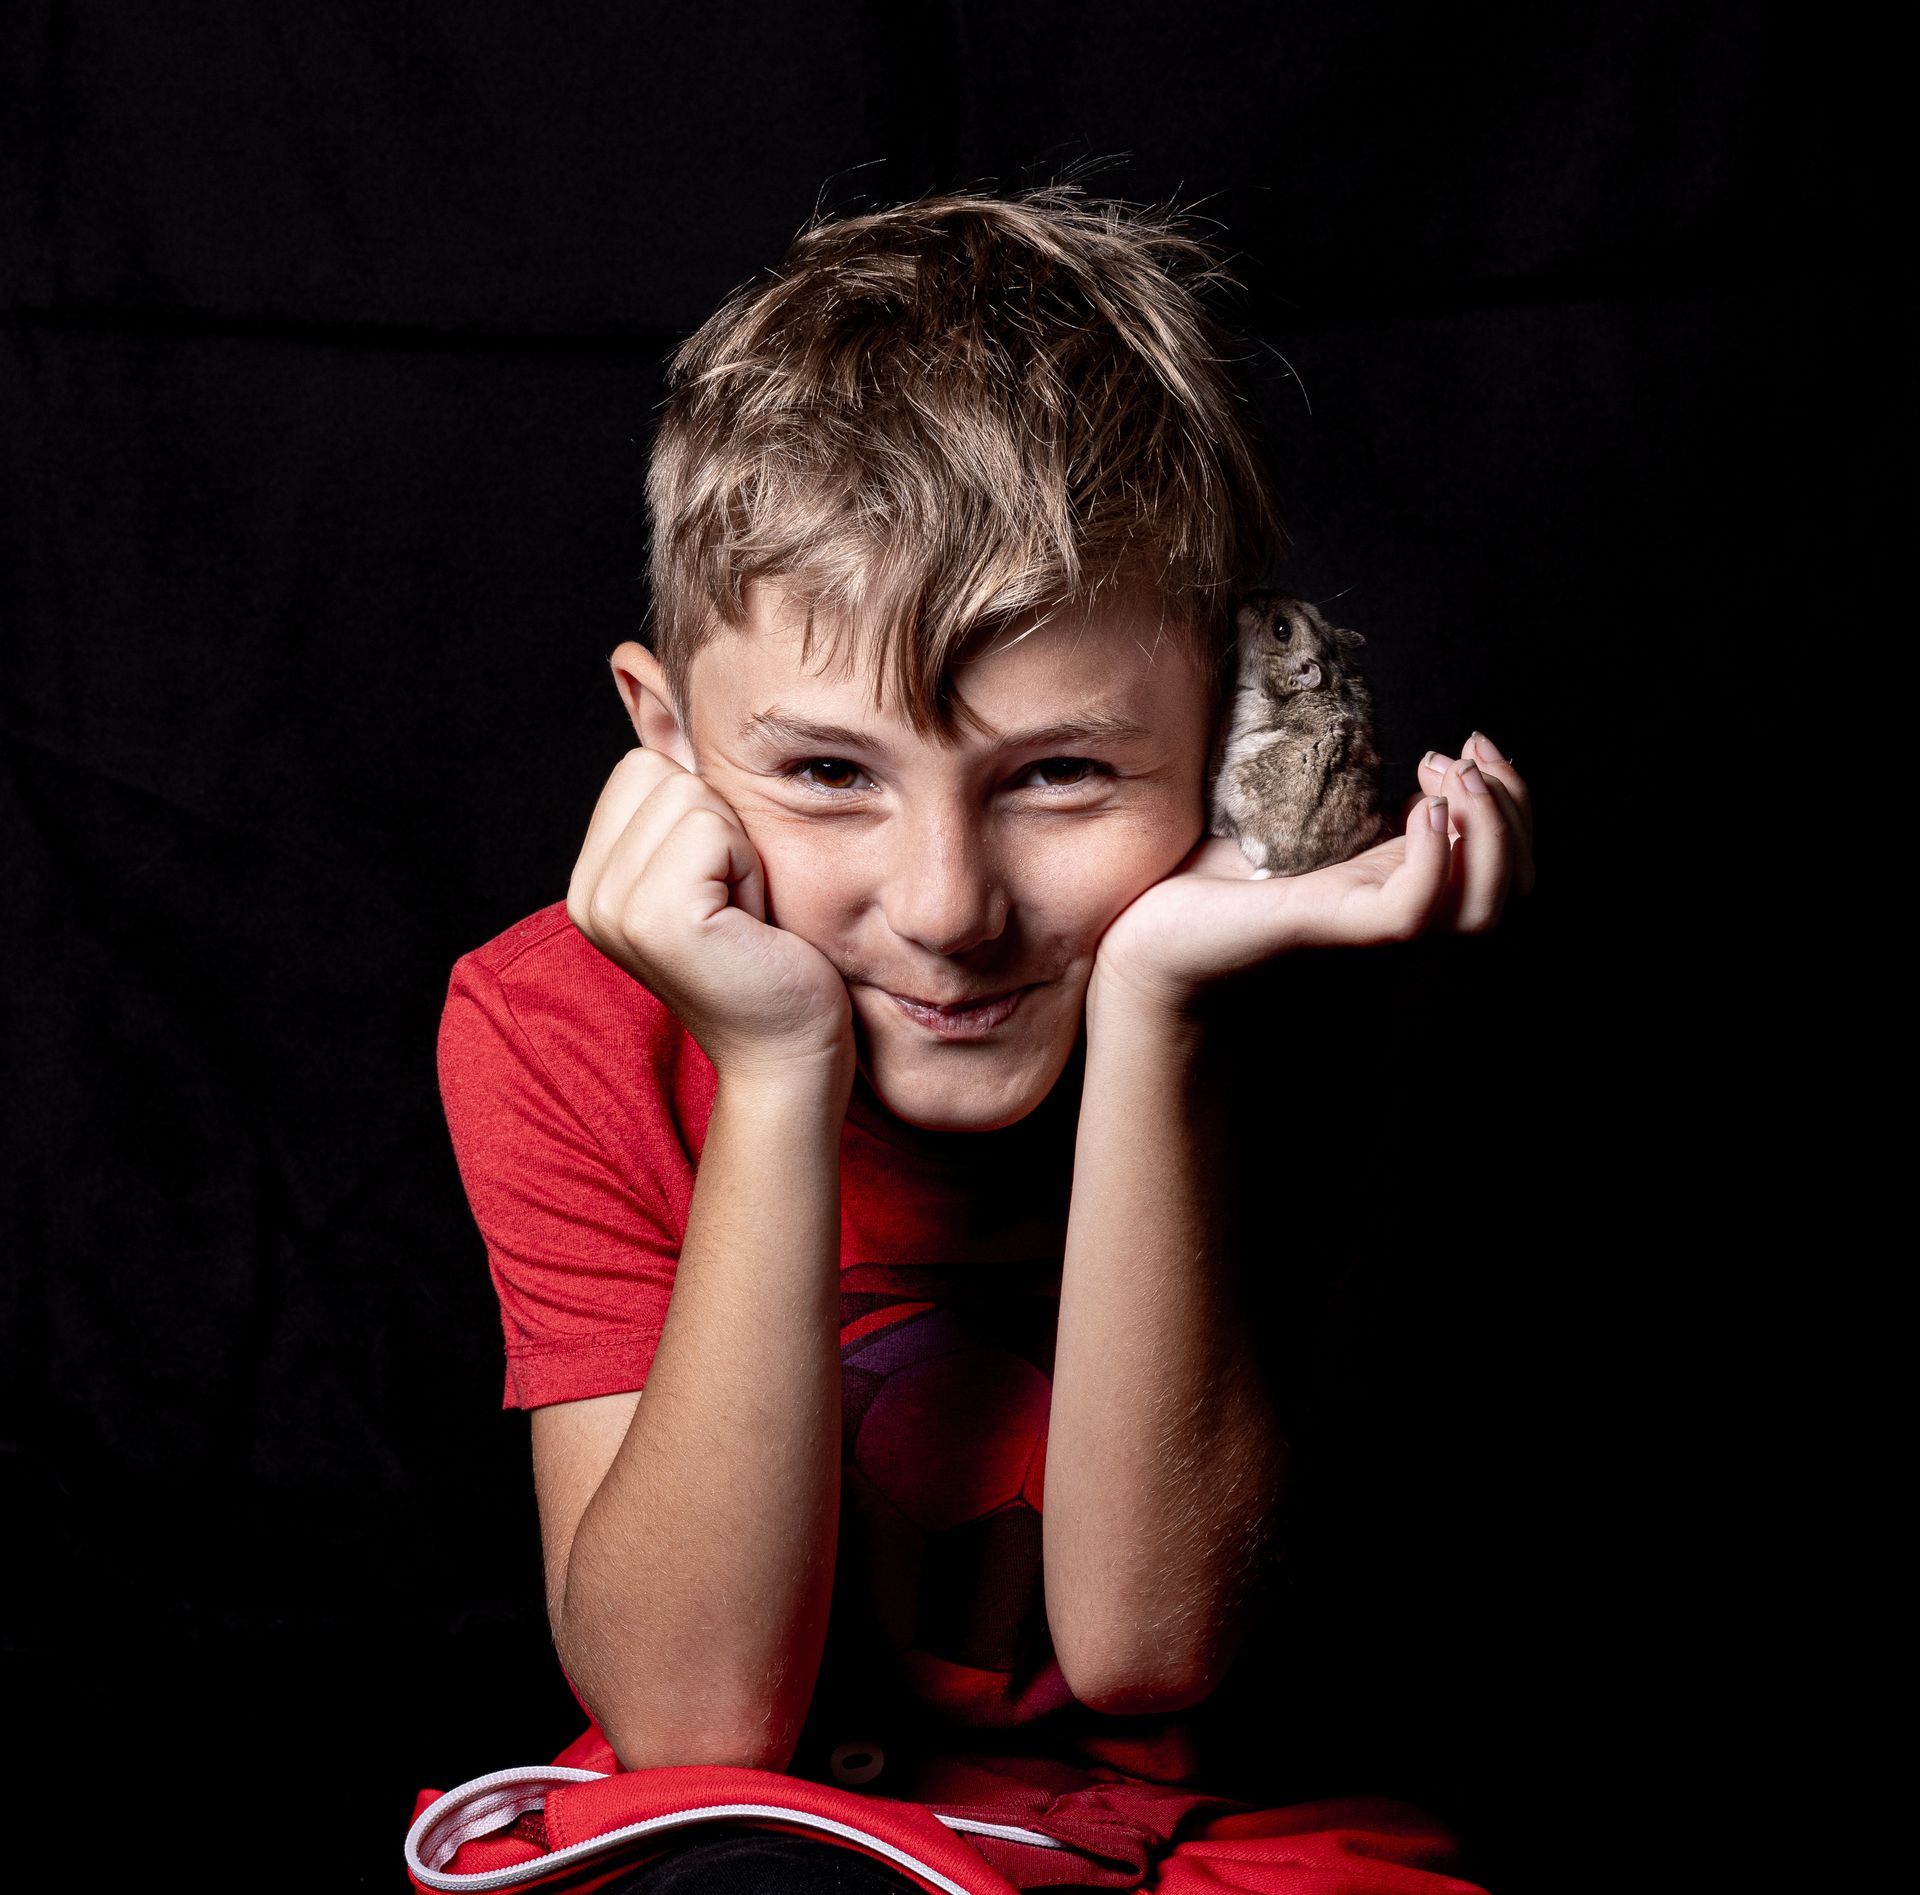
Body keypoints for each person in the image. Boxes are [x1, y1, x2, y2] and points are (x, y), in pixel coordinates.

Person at [409, 182, 1535, 1895]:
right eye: (827, 775)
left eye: (1061, 775)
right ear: (665, 740)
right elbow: (695, 1716)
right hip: (786, 1828)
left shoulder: (1280, 997)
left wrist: (1160, 1009)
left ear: (1233, 739)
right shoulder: (555, 1025)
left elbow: (1150, 1645)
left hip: (1231, 1832)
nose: (946, 907)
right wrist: (779, 1072)